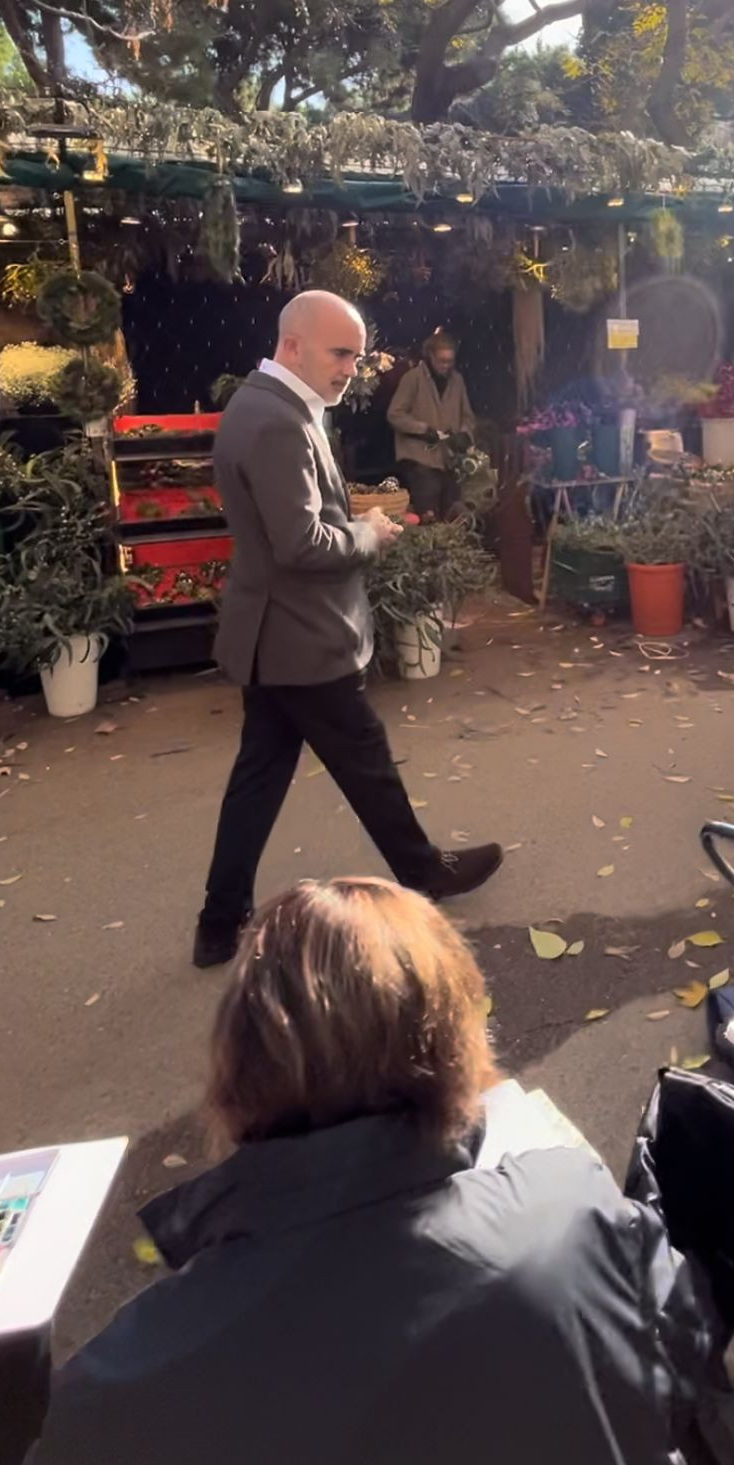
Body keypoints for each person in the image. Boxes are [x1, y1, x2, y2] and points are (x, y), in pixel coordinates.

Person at [6, 879, 707, 1465]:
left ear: (234, 1070)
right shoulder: (572, 1210)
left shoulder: (123, 1382)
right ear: (455, 1052)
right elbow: (678, 1372)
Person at [193, 292, 502, 968]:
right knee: (363, 762)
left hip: (274, 634)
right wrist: (368, 531)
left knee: (261, 775)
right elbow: (301, 545)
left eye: (357, 357)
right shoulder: (275, 420)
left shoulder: (261, 406)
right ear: (293, 345)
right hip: (302, 636)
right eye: (340, 353)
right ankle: (424, 872)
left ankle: (220, 921)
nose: (349, 370)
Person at [388, 328, 475, 521]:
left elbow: (468, 417)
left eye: (450, 361)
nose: (446, 366)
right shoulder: (413, 378)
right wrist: (422, 429)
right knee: (428, 515)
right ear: (430, 357)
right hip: (420, 458)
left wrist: (464, 434)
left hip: (449, 459)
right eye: (442, 361)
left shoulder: (457, 380)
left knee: (453, 513)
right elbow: (395, 414)